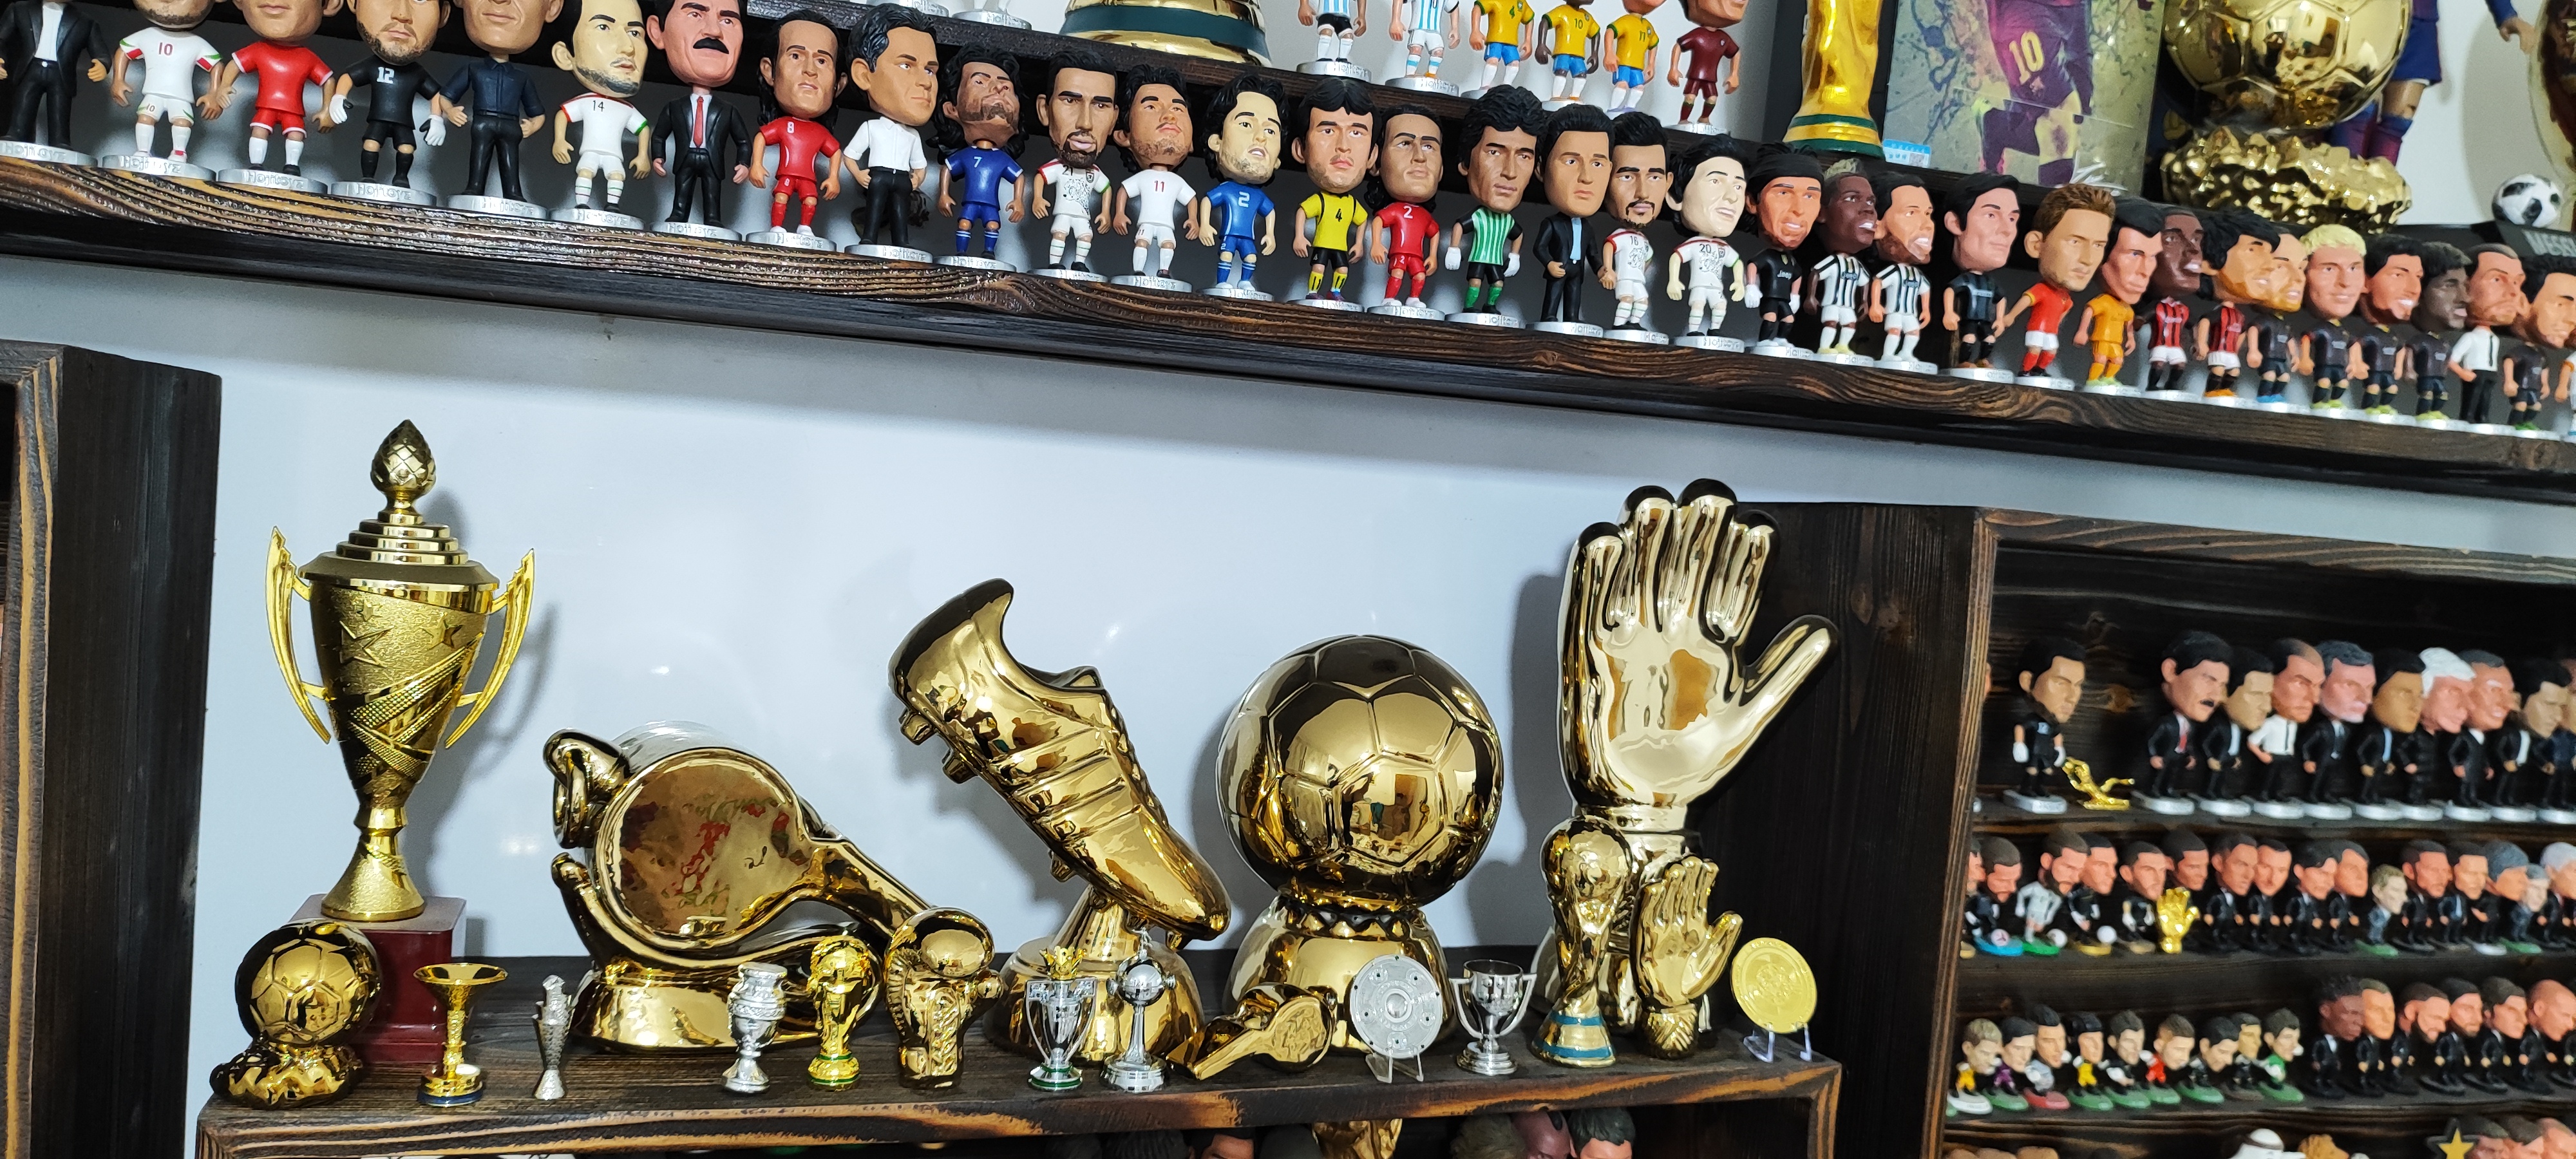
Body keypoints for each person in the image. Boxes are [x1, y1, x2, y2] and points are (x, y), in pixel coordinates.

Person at [435, 0, 562, 202]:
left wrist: (534, 125)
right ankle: (474, 188)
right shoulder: (474, 69)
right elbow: (445, 96)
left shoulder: (521, 77)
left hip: (511, 125)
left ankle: (513, 193)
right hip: (483, 121)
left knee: (510, 160)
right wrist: (450, 111)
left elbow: (538, 112)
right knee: (479, 157)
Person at [647, 0, 751, 229]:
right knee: (682, 189)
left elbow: (743, 140)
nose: (714, 31)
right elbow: (659, 135)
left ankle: (713, 218)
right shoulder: (675, 107)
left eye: (728, 20)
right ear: (657, 31)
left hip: (712, 160)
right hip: (686, 157)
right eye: (695, 14)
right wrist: (658, 157)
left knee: (712, 192)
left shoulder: (727, 110)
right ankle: (678, 214)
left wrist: (744, 163)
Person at [844, 4, 937, 251]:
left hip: (903, 180)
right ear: (864, 75)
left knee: (900, 212)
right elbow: (850, 155)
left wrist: (917, 179)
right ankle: (869, 238)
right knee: (875, 208)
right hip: (879, 176)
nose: (926, 82)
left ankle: (901, 242)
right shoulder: (871, 127)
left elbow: (920, 165)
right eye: (906, 65)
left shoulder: (912, 135)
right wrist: (859, 175)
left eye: (930, 70)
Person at [744, 10, 842, 236]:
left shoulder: (819, 132)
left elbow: (836, 152)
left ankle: (805, 227)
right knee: (781, 196)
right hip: (787, 174)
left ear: (839, 84)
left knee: (810, 200)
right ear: (769, 71)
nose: (810, 70)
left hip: (808, 177)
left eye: (822, 61)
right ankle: (777, 227)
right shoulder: (783, 125)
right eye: (796, 56)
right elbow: (761, 137)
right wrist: (756, 164)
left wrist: (834, 177)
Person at [550, 0, 651, 214]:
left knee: (617, 176)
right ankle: (582, 203)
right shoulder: (587, 101)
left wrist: (643, 155)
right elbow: (563, 115)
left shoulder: (625, 109)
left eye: (635, 33)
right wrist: (559, 140)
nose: (628, 48)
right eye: (603, 27)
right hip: (590, 150)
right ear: (565, 56)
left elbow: (643, 128)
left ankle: (612, 205)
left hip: (614, 154)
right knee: (586, 172)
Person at [1444, 84, 1536, 316]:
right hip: (1478, 258)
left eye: (1524, 156)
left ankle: (1490, 306)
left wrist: (1514, 256)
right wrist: (1454, 249)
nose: (1510, 172)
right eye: (1494, 152)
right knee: (1475, 282)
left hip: (1496, 260)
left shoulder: (1508, 222)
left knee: (1497, 283)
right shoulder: (1479, 216)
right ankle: (1469, 307)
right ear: (1465, 162)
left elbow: (1518, 234)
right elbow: (1460, 226)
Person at [934, 46, 1027, 262]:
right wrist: (944, 194)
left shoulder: (1001, 159)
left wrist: (1019, 201)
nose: (999, 88)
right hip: (970, 202)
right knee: (964, 223)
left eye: (1007, 86)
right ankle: (961, 253)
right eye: (980, 82)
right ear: (952, 109)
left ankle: (989, 252)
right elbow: (947, 168)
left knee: (993, 225)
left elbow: (1019, 177)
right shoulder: (966, 155)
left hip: (990, 204)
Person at [1030, 51, 1118, 273]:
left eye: (1100, 106)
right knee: (1060, 234)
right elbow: (1041, 177)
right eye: (1070, 101)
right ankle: (1055, 263)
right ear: (1044, 110)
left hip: (1082, 215)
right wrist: (1038, 199)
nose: (1085, 123)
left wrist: (1106, 212)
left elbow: (1106, 188)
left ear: (1114, 121)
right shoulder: (1057, 168)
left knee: (1085, 236)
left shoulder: (1095, 173)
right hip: (1063, 212)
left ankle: (1080, 263)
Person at [1195, 75, 1283, 290]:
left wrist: (1270, 234)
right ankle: (1223, 282)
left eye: (1270, 131)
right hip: (1229, 234)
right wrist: (1204, 224)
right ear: (1217, 141)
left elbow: (1270, 212)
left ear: (1278, 161)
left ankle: (1245, 282)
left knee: (1251, 258)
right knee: (1226, 254)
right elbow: (1207, 201)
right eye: (1246, 124)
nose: (1261, 138)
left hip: (1248, 237)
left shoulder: (1258, 196)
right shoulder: (1227, 190)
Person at [109, 0, 222, 165]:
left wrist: (214, 93)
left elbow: (216, 65)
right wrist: (118, 80)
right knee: (145, 118)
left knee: (182, 122)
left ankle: (179, 153)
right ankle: (143, 151)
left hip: (180, 95)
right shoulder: (148, 35)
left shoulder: (196, 43)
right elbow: (123, 52)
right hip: (153, 91)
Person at [1112, 64, 1197, 280]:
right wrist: (1119, 213)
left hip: (1167, 224)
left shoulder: (1176, 181)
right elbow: (1124, 191)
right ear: (1124, 135)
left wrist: (1194, 220)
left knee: (1168, 245)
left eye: (1178, 109)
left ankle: (1164, 271)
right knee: (1142, 242)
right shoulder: (1143, 178)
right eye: (1151, 107)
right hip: (1146, 222)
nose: (1169, 117)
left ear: (1192, 143)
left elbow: (1191, 199)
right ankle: (1139, 271)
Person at [1531, 102, 1611, 326]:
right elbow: (1539, 247)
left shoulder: (1587, 228)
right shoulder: (1552, 224)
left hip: (1577, 270)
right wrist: (1549, 263)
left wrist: (1601, 269)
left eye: (1597, 163)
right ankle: (1549, 316)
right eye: (1571, 161)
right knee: (1554, 294)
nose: (1586, 177)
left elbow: (1593, 253)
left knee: (1574, 297)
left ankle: (1572, 319)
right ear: (1541, 169)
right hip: (1560, 267)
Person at [0, 0, 111, 149]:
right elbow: (2, 37)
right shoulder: (20, 9)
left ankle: (60, 141)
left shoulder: (85, 21)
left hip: (61, 73)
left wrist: (102, 63)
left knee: (60, 109)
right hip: (30, 69)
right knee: (24, 104)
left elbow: (99, 49)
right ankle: (16, 134)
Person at [1368, 105, 1444, 307]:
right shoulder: (1396, 210)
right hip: (1400, 253)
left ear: (1441, 171)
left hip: (1417, 255)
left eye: (1429, 146)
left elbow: (1435, 232)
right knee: (1398, 273)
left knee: (1419, 275)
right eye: (1404, 143)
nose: (1420, 156)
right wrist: (1376, 244)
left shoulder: (1424, 215)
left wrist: (1433, 255)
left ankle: (1413, 299)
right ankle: (1389, 299)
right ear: (1376, 161)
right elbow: (1379, 220)